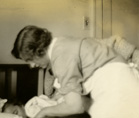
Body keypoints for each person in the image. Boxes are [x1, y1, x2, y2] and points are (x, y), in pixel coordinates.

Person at [11, 25, 139, 118]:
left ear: (39, 50)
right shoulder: (61, 43)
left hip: (118, 87)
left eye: (30, 60)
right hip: (121, 80)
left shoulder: (60, 57)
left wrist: (43, 112)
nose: (32, 65)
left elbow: (75, 106)